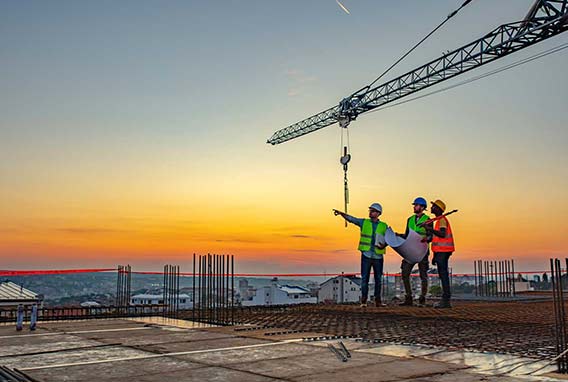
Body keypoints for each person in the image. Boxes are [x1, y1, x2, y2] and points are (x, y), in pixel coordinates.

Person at [333, 203, 388, 307]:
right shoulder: (364, 222)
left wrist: (384, 245)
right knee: (364, 279)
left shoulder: (384, 226)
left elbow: (390, 239)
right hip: (366, 255)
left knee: (378, 280)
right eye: (370, 210)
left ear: (378, 213)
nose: (370, 212)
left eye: (372, 211)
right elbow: (352, 219)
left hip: (378, 256)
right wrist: (341, 214)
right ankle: (363, 301)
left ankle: (378, 301)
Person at [398, 197, 433, 306]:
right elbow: (407, 234)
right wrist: (398, 236)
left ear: (422, 207)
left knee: (423, 275)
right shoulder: (410, 220)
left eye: (416, 205)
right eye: (414, 205)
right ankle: (409, 298)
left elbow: (431, 236)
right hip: (410, 250)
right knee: (405, 273)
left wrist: (426, 238)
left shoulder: (428, 220)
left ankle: (422, 299)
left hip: (422, 251)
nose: (414, 207)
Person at [426, 199, 455, 309]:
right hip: (441, 252)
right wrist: (435, 255)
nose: (432, 207)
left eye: (434, 206)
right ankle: (445, 299)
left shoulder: (442, 220)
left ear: (438, 209)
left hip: (443, 252)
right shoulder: (439, 220)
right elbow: (437, 240)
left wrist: (430, 229)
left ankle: (446, 300)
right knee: (443, 275)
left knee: (444, 276)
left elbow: (442, 234)